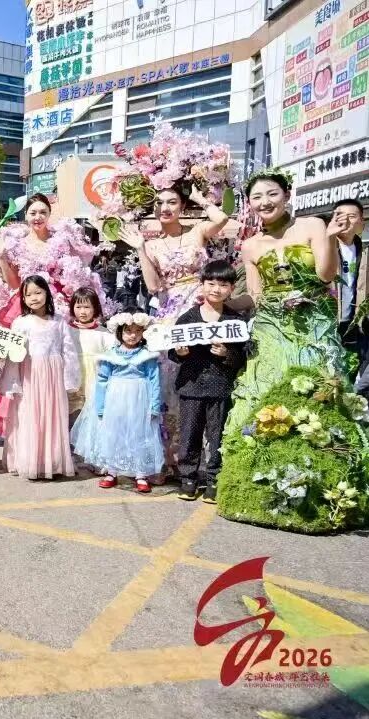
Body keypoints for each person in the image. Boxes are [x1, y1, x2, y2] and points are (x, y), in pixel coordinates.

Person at [215, 170, 364, 533]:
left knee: (316, 394)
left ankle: (322, 489)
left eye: (271, 194)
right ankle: (263, 486)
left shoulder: (313, 225)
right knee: (265, 392)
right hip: (272, 329)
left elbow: (326, 276)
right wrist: (221, 302)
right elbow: (257, 295)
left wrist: (330, 239)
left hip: (313, 326)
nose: (264, 202)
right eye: (256, 197)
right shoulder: (250, 245)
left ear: (286, 195)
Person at [116, 184, 231, 466]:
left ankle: (204, 458)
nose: (165, 208)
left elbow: (222, 219)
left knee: (205, 373)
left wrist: (199, 198)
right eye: (159, 203)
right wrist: (140, 248)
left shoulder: (197, 232)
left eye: (172, 202)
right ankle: (170, 457)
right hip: (170, 313)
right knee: (171, 381)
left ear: (182, 206)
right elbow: (153, 286)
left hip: (202, 308)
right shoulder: (151, 244)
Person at [0, 195, 107, 435]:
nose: (38, 217)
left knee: (63, 359)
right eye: (33, 212)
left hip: (58, 307)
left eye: (43, 212)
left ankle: (61, 425)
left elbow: (74, 273)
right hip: (25, 304)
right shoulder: (17, 244)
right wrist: (1, 258)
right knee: (24, 363)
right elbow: (14, 284)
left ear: (50, 214)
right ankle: (26, 425)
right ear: (25, 215)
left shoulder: (61, 240)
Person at [169, 260, 247, 502]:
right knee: (189, 434)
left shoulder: (235, 321)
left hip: (220, 387)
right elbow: (172, 351)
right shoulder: (188, 318)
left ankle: (214, 479)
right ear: (201, 285)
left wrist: (227, 354)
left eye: (223, 285)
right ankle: (188, 479)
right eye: (211, 283)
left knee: (217, 436)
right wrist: (181, 353)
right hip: (191, 386)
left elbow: (244, 356)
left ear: (232, 288)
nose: (216, 289)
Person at [72, 312, 165, 493]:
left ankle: (140, 473)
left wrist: (154, 405)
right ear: (120, 332)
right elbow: (102, 381)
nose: (133, 335)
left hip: (139, 400)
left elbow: (154, 381)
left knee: (139, 434)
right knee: (114, 433)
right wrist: (100, 406)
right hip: (115, 400)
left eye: (137, 331)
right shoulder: (110, 355)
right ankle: (112, 471)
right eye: (128, 331)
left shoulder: (147, 355)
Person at [0, 275, 80, 481]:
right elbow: (14, 354)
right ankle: (29, 461)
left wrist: (70, 380)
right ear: (23, 298)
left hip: (53, 378)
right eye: (28, 295)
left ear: (47, 293)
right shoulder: (20, 323)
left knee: (52, 417)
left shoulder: (59, 321)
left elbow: (69, 352)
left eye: (38, 292)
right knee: (29, 416)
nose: (34, 298)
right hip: (29, 376)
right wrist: (12, 382)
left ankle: (52, 462)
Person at [66, 287, 115, 426]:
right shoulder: (67, 330)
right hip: (73, 375)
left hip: (95, 377)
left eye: (87, 307)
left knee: (91, 412)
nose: (82, 312)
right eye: (78, 307)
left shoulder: (103, 333)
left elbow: (112, 355)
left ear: (95, 308)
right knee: (72, 410)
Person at [332, 199, 368, 368]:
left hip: (353, 324)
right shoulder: (324, 247)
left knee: (350, 369)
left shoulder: (364, 251)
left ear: (361, 222)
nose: (345, 220)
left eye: (352, 216)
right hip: (329, 320)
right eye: (340, 216)